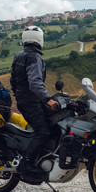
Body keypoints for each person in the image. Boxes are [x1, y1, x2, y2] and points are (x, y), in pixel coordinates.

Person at [10, 25, 59, 174]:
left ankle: (43, 157)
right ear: (39, 39)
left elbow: (13, 80)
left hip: (25, 100)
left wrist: (19, 95)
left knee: (50, 126)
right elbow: (35, 82)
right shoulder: (34, 57)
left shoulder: (19, 55)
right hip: (31, 101)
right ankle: (26, 163)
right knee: (43, 131)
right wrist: (48, 99)